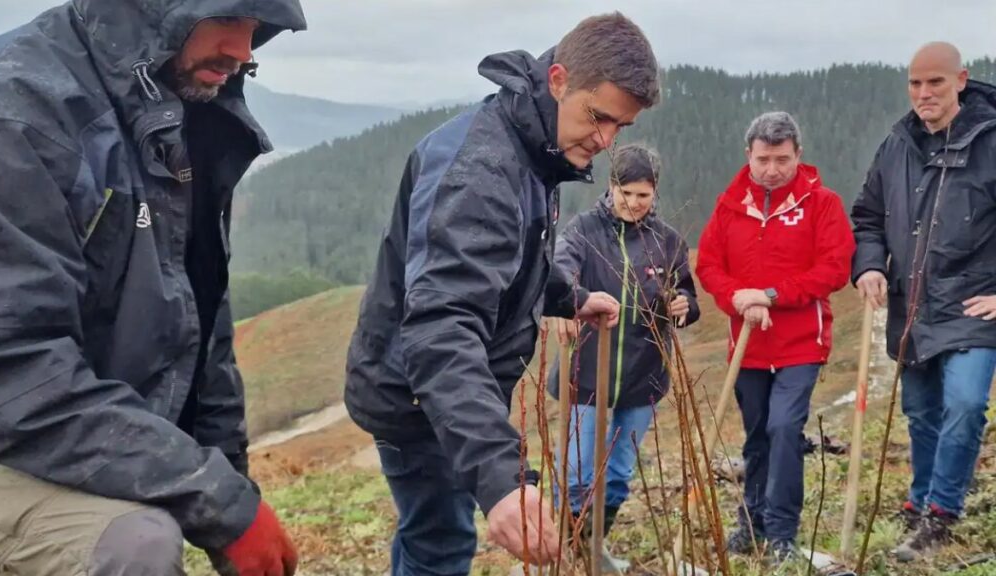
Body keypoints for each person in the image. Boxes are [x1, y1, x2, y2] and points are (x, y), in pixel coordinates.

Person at [0, 1, 307, 574]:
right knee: (134, 544)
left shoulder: (174, 108)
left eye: (256, 29)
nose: (245, 52)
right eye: (229, 20)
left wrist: (232, 489)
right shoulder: (12, 114)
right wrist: (216, 502)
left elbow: (201, 325)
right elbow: (7, 365)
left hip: (55, 422)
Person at [344, 12, 660, 573]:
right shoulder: (482, 170)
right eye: (599, 117)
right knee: (440, 541)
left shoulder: (535, 148)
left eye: (621, 127)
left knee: (428, 531)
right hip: (421, 393)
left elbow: (515, 256)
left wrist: (570, 296)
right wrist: (499, 476)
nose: (607, 140)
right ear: (559, 79)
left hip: (445, 390)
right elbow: (443, 325)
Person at [850, 41, 996, 562]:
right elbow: (867, 216)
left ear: (961, 79)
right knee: (922, 412)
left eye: (935, 82)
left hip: (973, 310)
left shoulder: (991, 140)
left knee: (964, 405)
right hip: (912, 307)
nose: (923, 93)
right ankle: (922, 498)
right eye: (915, 83)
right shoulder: (897, 144)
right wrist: (868, 265)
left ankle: (941, 514)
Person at [696, 111, 854, 565]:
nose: (771, 169)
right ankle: (753, 519)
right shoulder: (730, 206)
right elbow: (709, 266)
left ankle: (782, 530)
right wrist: (739, 299)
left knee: (785, 429)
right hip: (747, 345)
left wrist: (770, 295)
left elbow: (834, 269)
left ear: (797, 155)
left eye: (781, 159)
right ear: (749, 155)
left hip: (801, 342)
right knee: (756, 436)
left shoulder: (822, 204)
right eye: (763, 159)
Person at [547, 143, 700, 572]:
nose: (632, 203)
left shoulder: (667, 241)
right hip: (586, 370)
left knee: (617, 475)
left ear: (655, 194)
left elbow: (686, 293)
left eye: (642, 195)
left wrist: (684, 304)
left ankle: (592, 549)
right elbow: (561, 269)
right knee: (577, 472)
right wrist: (570, 300)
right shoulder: (582, 232)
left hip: (642, 374)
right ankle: (566, 553)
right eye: (624, 192)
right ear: (611, 186)